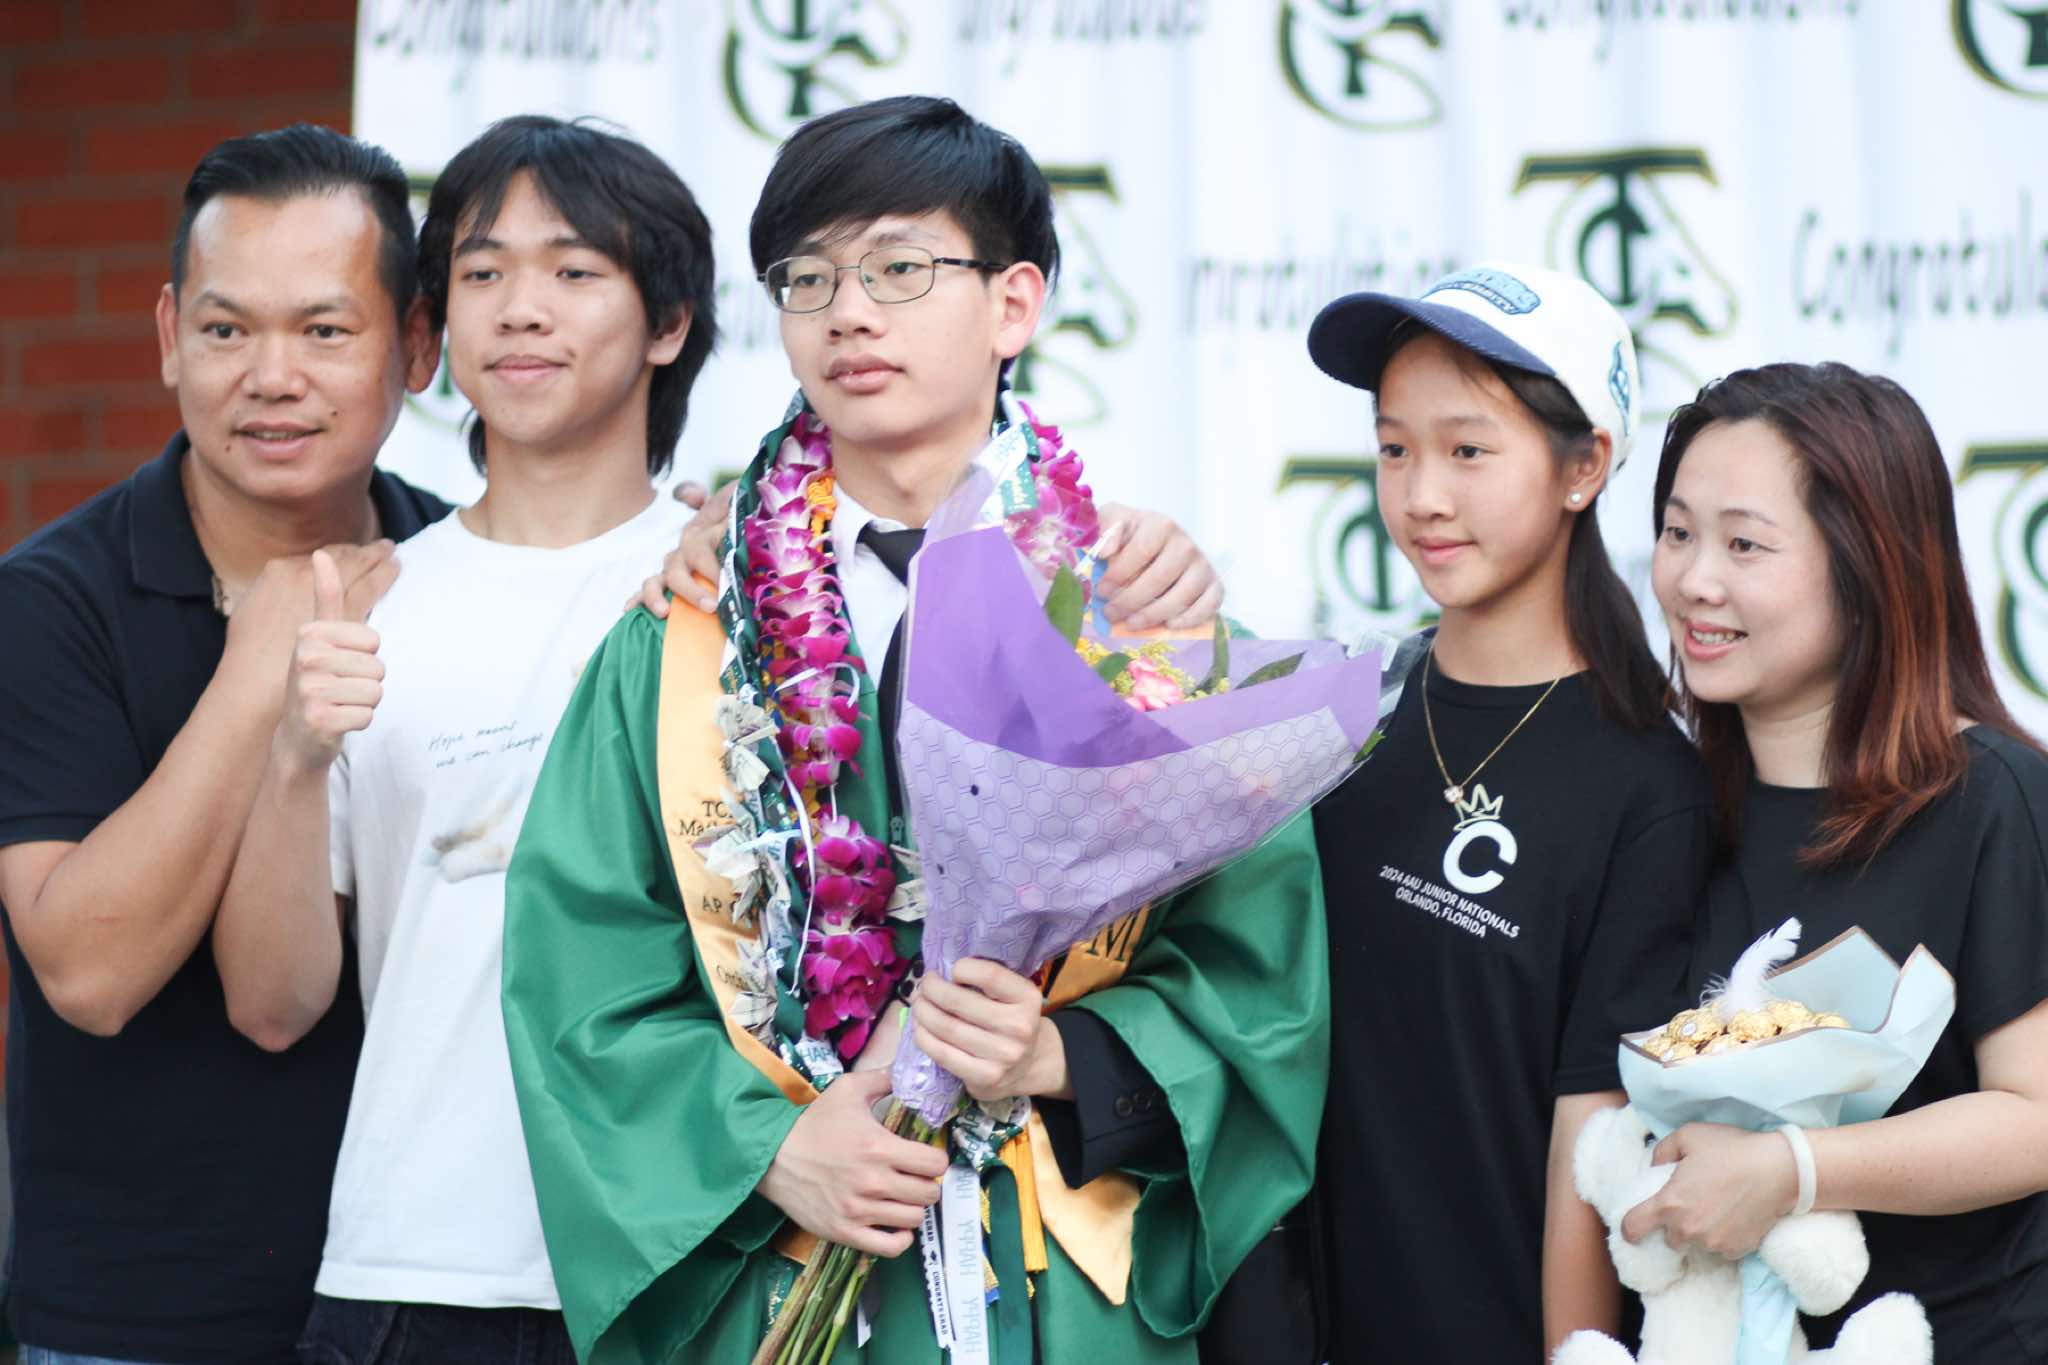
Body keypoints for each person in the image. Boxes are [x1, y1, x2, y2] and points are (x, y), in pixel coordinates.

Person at [500, 95, 1325, 1365]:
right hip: (782, 1270)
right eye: (808, 277)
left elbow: (1257, 985)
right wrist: (768, 1147)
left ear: (1012, 304)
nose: (847, 312)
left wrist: (1061, 1055)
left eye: (898, 267)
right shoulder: (680, 643)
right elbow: (580, 977)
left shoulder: (1139, 629)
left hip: (1057, 1284)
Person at [0, 125, 443, 1365]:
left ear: (415, 345)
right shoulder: (49, 603)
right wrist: (258, 668)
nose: (271, 376)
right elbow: (89, 976)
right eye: (226, 329)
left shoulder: (461, 578)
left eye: (325, 330)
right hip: (142, 1318)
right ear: (168, 336)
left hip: (438, 1299)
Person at [1302, 264, 1713, 1360]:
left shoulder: (1648, 790)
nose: (1421, 497)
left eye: (1467, 451)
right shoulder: (1340, 717)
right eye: (1395, 449)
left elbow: (1592, 1145)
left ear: (1584, 466)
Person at [1622, 361, 2048, 1363]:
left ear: (1866, 565)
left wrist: (1792, 1171)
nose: (1693, 579)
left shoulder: (1986, 797)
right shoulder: (1666, 806)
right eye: (1677, 533)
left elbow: (2035, 1118)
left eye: (1743, 543)